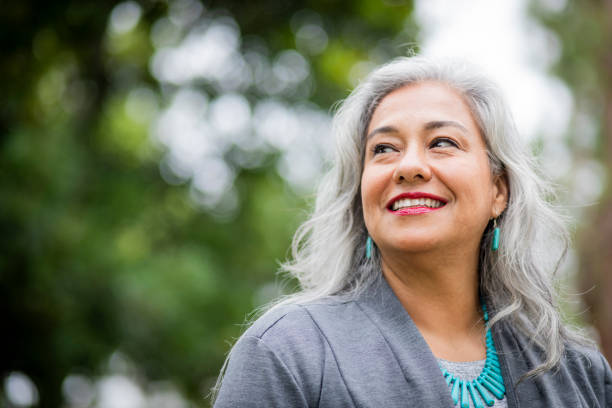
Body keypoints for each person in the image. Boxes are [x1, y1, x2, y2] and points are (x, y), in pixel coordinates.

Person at [212, 56, 612, 407]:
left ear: (499, 191)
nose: (409, 166)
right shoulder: (286, 354)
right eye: (383, 149)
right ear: (360, 193)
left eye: (442, 142)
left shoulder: (578, 371)